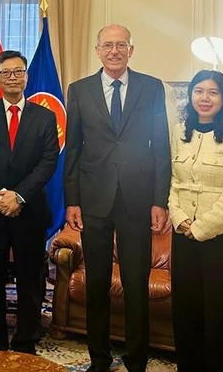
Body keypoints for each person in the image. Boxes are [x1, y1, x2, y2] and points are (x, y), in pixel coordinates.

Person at [64, 24, 171, 372]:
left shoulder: (151, 87)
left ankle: (137, 358)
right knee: (96, 283)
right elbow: (74, 150)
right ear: (97, 50)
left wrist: (160, 200)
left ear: (131, 50)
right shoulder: (79, 90)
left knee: (135, 283)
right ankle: (99, 358)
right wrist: (72, 201)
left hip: (137, 200)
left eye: (120, 45)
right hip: (93, 200)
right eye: (107, 45)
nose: (114, 51)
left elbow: (161, 147)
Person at [0, 50, 59, 354]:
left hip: (29, 210)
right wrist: (0, 196)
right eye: (6, 72)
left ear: (26, 76)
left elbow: (48, 162)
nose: (12, 78)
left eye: (18, 72)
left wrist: (18, 196)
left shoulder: (45, 116)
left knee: (29, 279)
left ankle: (26, 339)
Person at [168, 70, 223, 372]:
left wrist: (201, 228)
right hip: (183, 237)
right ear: (190, 96)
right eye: (199, 91)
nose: (205, 98)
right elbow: (172, 184)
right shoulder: (180, 131)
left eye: (213, 92)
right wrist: (179, 220)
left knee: (220, 316)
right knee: (185, 312)